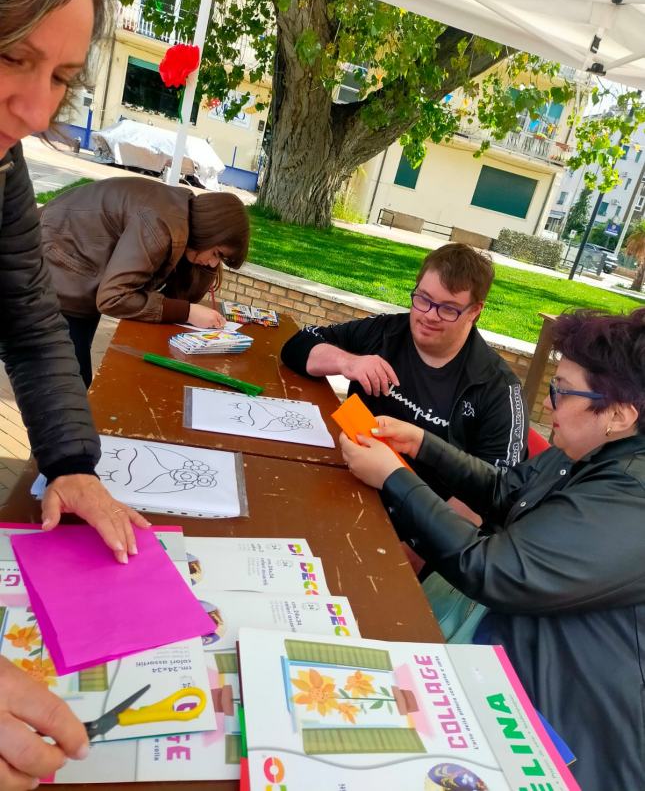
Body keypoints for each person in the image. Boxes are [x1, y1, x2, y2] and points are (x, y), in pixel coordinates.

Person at [340, 308, 645, 790]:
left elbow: (497, 572)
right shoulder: (585, 455)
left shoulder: (631, 499)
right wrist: (422, 444)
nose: (550, 406)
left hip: (556, 720)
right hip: (507, 645)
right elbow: (509, 489)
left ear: (619, 415)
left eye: (564, 391)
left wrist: (395, 478)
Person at [1, 0, 150, 783]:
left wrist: (70, 460)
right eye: (13, 57)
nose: (33, 109)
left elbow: (26, 322)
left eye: (59, 77)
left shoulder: (3, 168)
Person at [282, 243, 527, 504]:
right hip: (345, 484)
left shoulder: (497, 387)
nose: (429, 316)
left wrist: (422, 540)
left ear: (474, 312)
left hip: (422, 527)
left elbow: (501, 492)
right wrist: (349, 363)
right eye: (423, 299)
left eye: (447, 308)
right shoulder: (387, 332)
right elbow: (296, 346)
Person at [40, 177, 250, 385]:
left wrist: (203, 270)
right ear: (207, 233)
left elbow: (178, 296)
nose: (214, 264)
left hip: (75, 275)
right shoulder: (160, 225)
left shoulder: (182, 219)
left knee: (70, 382)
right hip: (51, 268)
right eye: (216, 253)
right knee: (67, 387)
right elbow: (114, 298)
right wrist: (188, 312)